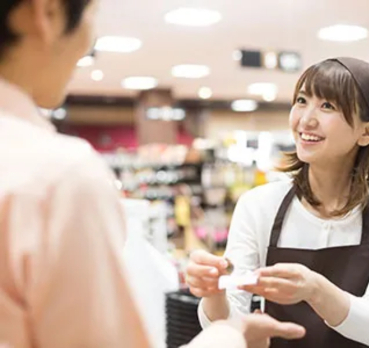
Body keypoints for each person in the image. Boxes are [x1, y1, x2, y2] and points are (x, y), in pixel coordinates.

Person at [0, 0, 305, 347]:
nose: (90, 38)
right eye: (91, 14)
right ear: (48, 13)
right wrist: (227, 337)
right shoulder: (57, 176)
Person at [187, 57, 369, 347]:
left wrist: (315, 290)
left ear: (368, 132)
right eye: (302, 100)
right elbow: (232, 323)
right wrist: (214, 292)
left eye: (328, 106)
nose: (305, 119)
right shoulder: (258, 205)